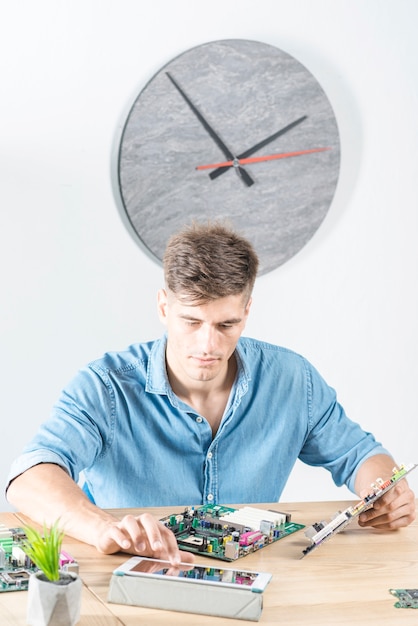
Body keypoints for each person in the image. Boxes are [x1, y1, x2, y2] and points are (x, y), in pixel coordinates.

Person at [6, 221, 415, 565]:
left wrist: (385, 492)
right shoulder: (107, 385)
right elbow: (30, 479)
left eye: (226, 325)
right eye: (191, 321)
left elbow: (362, 456)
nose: (208, 345)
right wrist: (105, 529)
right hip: (135, 576)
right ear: (164, 307)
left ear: (247, 311)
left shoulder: (293, 379)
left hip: (256, 581)